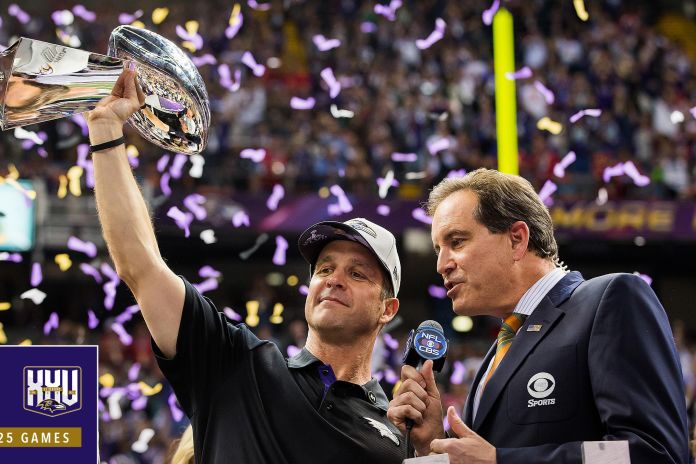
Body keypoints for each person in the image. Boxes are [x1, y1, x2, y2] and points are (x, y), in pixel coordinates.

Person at [86, 67, 406, 462]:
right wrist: (106, 130)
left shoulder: (396, 433)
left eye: (357, 273)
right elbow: (141, 265)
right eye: (324, 269)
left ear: (387, 309)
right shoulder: (237, 366)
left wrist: (425, 447)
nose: (334, 279)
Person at [387, 168, 688, 463]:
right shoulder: (496, 356)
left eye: (457, 242)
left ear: (517, 239)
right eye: (438, 249)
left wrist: (501, 461)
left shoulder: (611, 299)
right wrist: (434, 445)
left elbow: (653, 452)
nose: (441, 265)